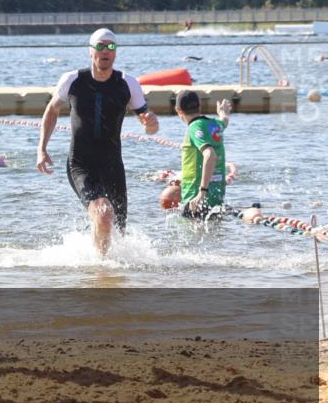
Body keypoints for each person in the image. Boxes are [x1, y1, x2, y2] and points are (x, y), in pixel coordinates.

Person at [37, 28, 159, 254]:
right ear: (90, 51)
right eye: (100, 46)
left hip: (113, 165)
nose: (106, 51)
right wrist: (41, 149)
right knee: (103, 214)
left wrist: (151, 124)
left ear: (116, 52)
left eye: (111, 47)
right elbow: (52, 110)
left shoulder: (127, 83)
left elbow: (151, 128)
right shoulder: (72, 80)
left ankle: (103, 266)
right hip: (80, 164)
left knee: (119, 231)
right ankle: (100, 267)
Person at [175, 91, 231, 219]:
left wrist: (202, 192)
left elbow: (210, 155)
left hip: (196, 197)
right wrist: (223, 113)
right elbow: (224, 122)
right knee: (214, 229)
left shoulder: (194, 127)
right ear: (200, 106)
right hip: (216, 197)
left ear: (179, 110)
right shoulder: (215, 124)